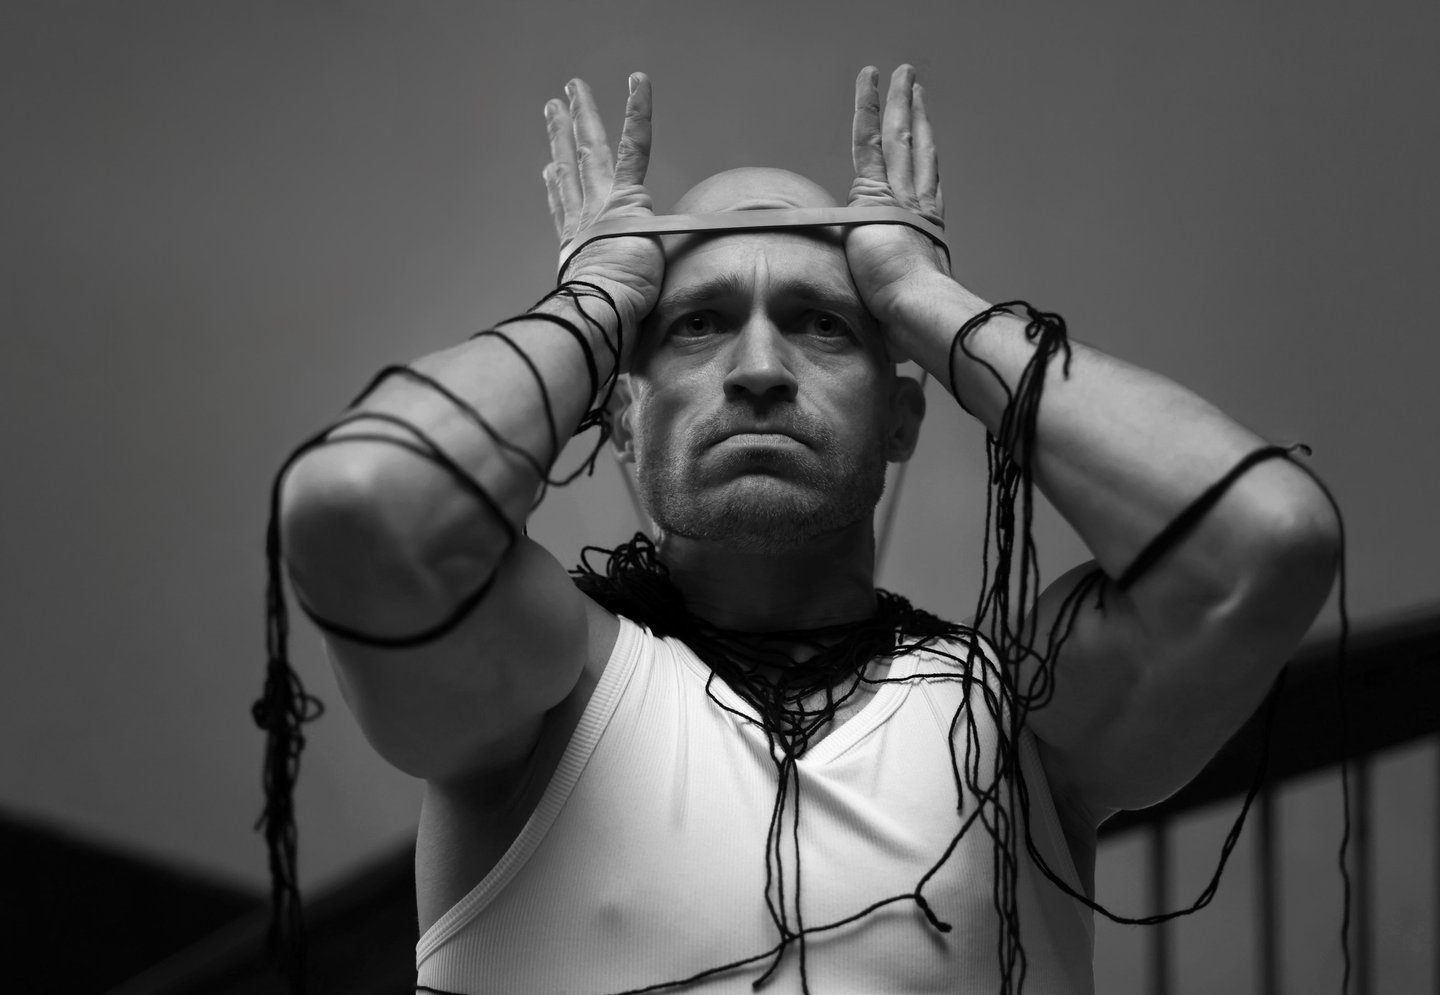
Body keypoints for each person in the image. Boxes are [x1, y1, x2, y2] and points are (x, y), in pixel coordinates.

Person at [274, 66, 1340, 994]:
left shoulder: (1019, 722)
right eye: (697, 323)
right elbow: (363, 503)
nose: (758, 369)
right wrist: (600, 298)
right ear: (622, 417)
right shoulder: (543, 696)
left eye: (823, 323)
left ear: (903, 415)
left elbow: (1265, 540)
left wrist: (921, 295)